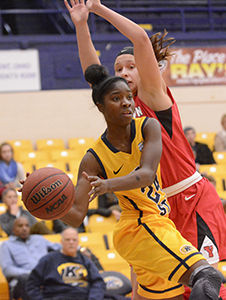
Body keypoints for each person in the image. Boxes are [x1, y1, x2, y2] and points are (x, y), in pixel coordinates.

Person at [64, 1, 226, 298]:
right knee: (148, 292)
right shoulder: (120, 108)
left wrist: (99, 9)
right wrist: (81, 24)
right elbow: (92, 71)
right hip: (154, 211)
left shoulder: (154, 96)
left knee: (206, 286)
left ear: (147, 68)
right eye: (118, 69)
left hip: (190, 199)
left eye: (130, 67)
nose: (123, 72)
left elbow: (139, 38)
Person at [26, 227, 106, 300]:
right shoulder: (48, 259)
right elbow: (32, 284)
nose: (71, 242)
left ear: (78, 242)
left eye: (74, 240)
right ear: (61, 242)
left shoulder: (85, 261)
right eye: (68, 239)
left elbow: (98, 282)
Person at [0, 216, 61, 300]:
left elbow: (59, 248)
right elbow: (7, 270)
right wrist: (32, 273)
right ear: (13, 229)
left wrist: (79, 249)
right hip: (23, 281)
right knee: (26, 280)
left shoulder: (39, 239)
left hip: (45, 278)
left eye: (27, 225)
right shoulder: (6, 245)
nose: (24, 228)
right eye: (20, 226)